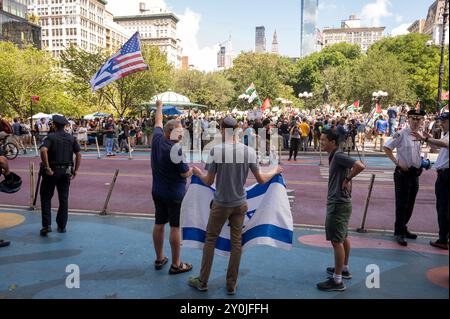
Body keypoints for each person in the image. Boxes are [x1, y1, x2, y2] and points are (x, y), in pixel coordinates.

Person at [188, 116, 283, 295]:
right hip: (240, 203)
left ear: (222, 130)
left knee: (210, 239)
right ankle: (231, 284)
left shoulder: (216, 150)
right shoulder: (248, 151)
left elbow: (208, 181)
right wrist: (275, 170)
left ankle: (203, 281)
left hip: (221, 204)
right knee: (236, 243)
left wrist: (198, 173)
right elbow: (261, 179)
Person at [317, 129, 365, 292]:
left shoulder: (338, 155)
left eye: (324, 140)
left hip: (338, 203)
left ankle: (337, 281)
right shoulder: (334, 156)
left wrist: (348, 178)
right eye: (320, 140)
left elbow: (359, 165)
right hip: (342, 202)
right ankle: (343, 269)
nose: (321, 143)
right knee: (343, 237)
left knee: (336, 241)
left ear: (333, 142)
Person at [151, 100, 194, 275]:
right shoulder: (176, 149)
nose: (182, 134)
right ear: (172, 132)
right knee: (175, 227)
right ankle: (176, 264)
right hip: (175, 193)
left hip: (158, 190)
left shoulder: (157, 139)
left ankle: (159, 257)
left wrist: (159, 106)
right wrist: (193, 170)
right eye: (179, 131)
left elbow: (158, 122)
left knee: (159, 223)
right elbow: (184, 173)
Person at [384, 110, 426, 246]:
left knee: (411, 203)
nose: (416, 122)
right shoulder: (401, 133)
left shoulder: (420, 135)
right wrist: (397, 162)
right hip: (403, 174)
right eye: (413, 119)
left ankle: (404, 227)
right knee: (401, 204)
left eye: (419, 119)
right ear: (408, 119)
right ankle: (399, 232)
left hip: (415, 174)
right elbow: (387, 147)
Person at [39, 115, 82, 236]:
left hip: (52, 171)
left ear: (54, 125)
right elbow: (79, 154)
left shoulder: (50, 137)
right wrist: (76, 170)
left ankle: (47, 225)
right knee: (63, 198)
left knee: (46, 197)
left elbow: (43, 150)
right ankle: (62, 225)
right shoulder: (71, 138)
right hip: (66, 171)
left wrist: (47, 167)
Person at [411, 112, 449, 250]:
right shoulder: (446, 134)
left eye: (444, 121)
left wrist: (426, 140)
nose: (441, 124)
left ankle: (443, 239)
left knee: (443, 207)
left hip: (446, 175)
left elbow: (444, 144)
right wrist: (431, 138)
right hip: (444, 173)